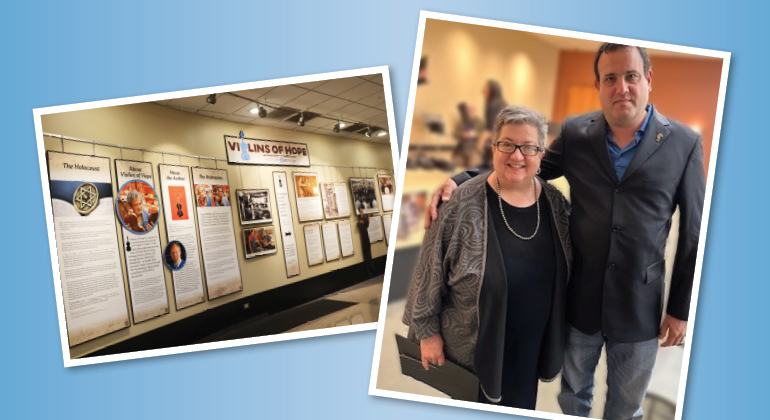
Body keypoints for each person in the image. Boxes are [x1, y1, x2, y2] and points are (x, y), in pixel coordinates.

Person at [425, 44, 705, 419]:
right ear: (598, 85)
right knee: (573, 398)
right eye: (610, 78)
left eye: (631, 76)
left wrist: (680, 309)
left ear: (648, 80)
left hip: (640, 307)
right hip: (581, 302)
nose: (621, 87)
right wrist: (461, 178)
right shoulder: (577, 134)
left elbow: (692, 233)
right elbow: (525, 164)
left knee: (626, 406)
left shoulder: (684, 143)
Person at [404, 106, 572, 409]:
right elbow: (428, 271)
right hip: (473, 346)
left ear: (541, 153)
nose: (517, 156)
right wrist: (427, 334)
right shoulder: (459, 204)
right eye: (507, 144)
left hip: (530, 346)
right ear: (493, 147)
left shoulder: (556, 204)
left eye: (529, 147)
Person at [478, 80, 507, 168]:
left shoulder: (495, 104)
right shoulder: (495, 102)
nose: (482, 90)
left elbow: (493, 126)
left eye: (485, 87)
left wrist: (481, 140)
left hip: (497, 137)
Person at [357, 208, 377, 278]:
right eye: (360, 211)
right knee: (366, 255)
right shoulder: (359, 220)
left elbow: (366, 225)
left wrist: (368, 217)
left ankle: (372, 268)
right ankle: (368, 271)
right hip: (363, 239)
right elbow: (359, 224)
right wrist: (361, 222)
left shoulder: (364, 219)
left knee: (369, 254)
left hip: (366, 237)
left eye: (362, 211)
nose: (361, 212)